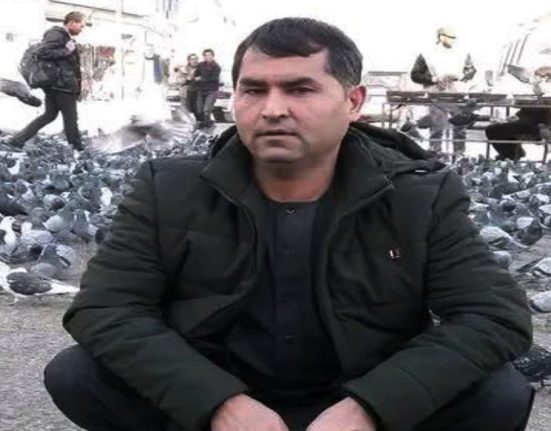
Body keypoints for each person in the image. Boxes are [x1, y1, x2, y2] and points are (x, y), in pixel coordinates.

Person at [44, 18, 533, 431]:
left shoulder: (419, 196)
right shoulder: (168, 188)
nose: (273, 109)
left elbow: (493, 317)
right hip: (223, 401)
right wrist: (218, 403)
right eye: (254, 90)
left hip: (358, 401)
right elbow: (106, 309)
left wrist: (373, 407)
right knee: (78, 374)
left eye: (301, 89)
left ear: (354, 102)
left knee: (500, 393)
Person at [7, 11, 85, 151]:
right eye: (81, 25)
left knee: (49, 115)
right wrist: (67, 51)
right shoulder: (57, 34)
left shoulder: (64, 37)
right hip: (61, 85)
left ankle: (17, 140)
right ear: (72, 22)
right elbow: (43, 52)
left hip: (58, 84)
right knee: (70, 118)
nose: (82, 29)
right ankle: (77, 148)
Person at [410, 27, 477, 155]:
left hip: (458, 95)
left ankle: (459, 155)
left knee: (459, 127)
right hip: (437, 95)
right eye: (450, 37)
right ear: (441, 37)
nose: (453, 40)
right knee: (437, 126)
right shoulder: (427, 54)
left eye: (453, 38)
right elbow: (415, 75)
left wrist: (460, 76)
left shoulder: (463, 53)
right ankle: (436, 154)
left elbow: (472, 71)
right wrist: (434, 79)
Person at [485, 66, 551, 161]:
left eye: (540, 79)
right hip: (531, 123)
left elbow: (541, 112)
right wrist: (517, 116)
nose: (536, 82)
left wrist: (544, 127)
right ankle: (513, 154)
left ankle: (511, 155)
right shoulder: (540, 95)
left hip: (538, 126)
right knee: (494, 128)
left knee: (493, 130)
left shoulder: (547, 96)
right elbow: (529, 110)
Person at [194, 48, 221, 128]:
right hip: (201, 90)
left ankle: (206, 126)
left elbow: (214, 78)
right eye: (205, 55)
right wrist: (197, 78)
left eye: (209, 55)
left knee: (206, 110)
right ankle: (207, 123)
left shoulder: (216, 66)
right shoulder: (200, 65)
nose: (207, 57)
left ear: (213, 56)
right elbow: (196, 75)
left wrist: (202, 79)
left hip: (211, 90)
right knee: (199, 110)